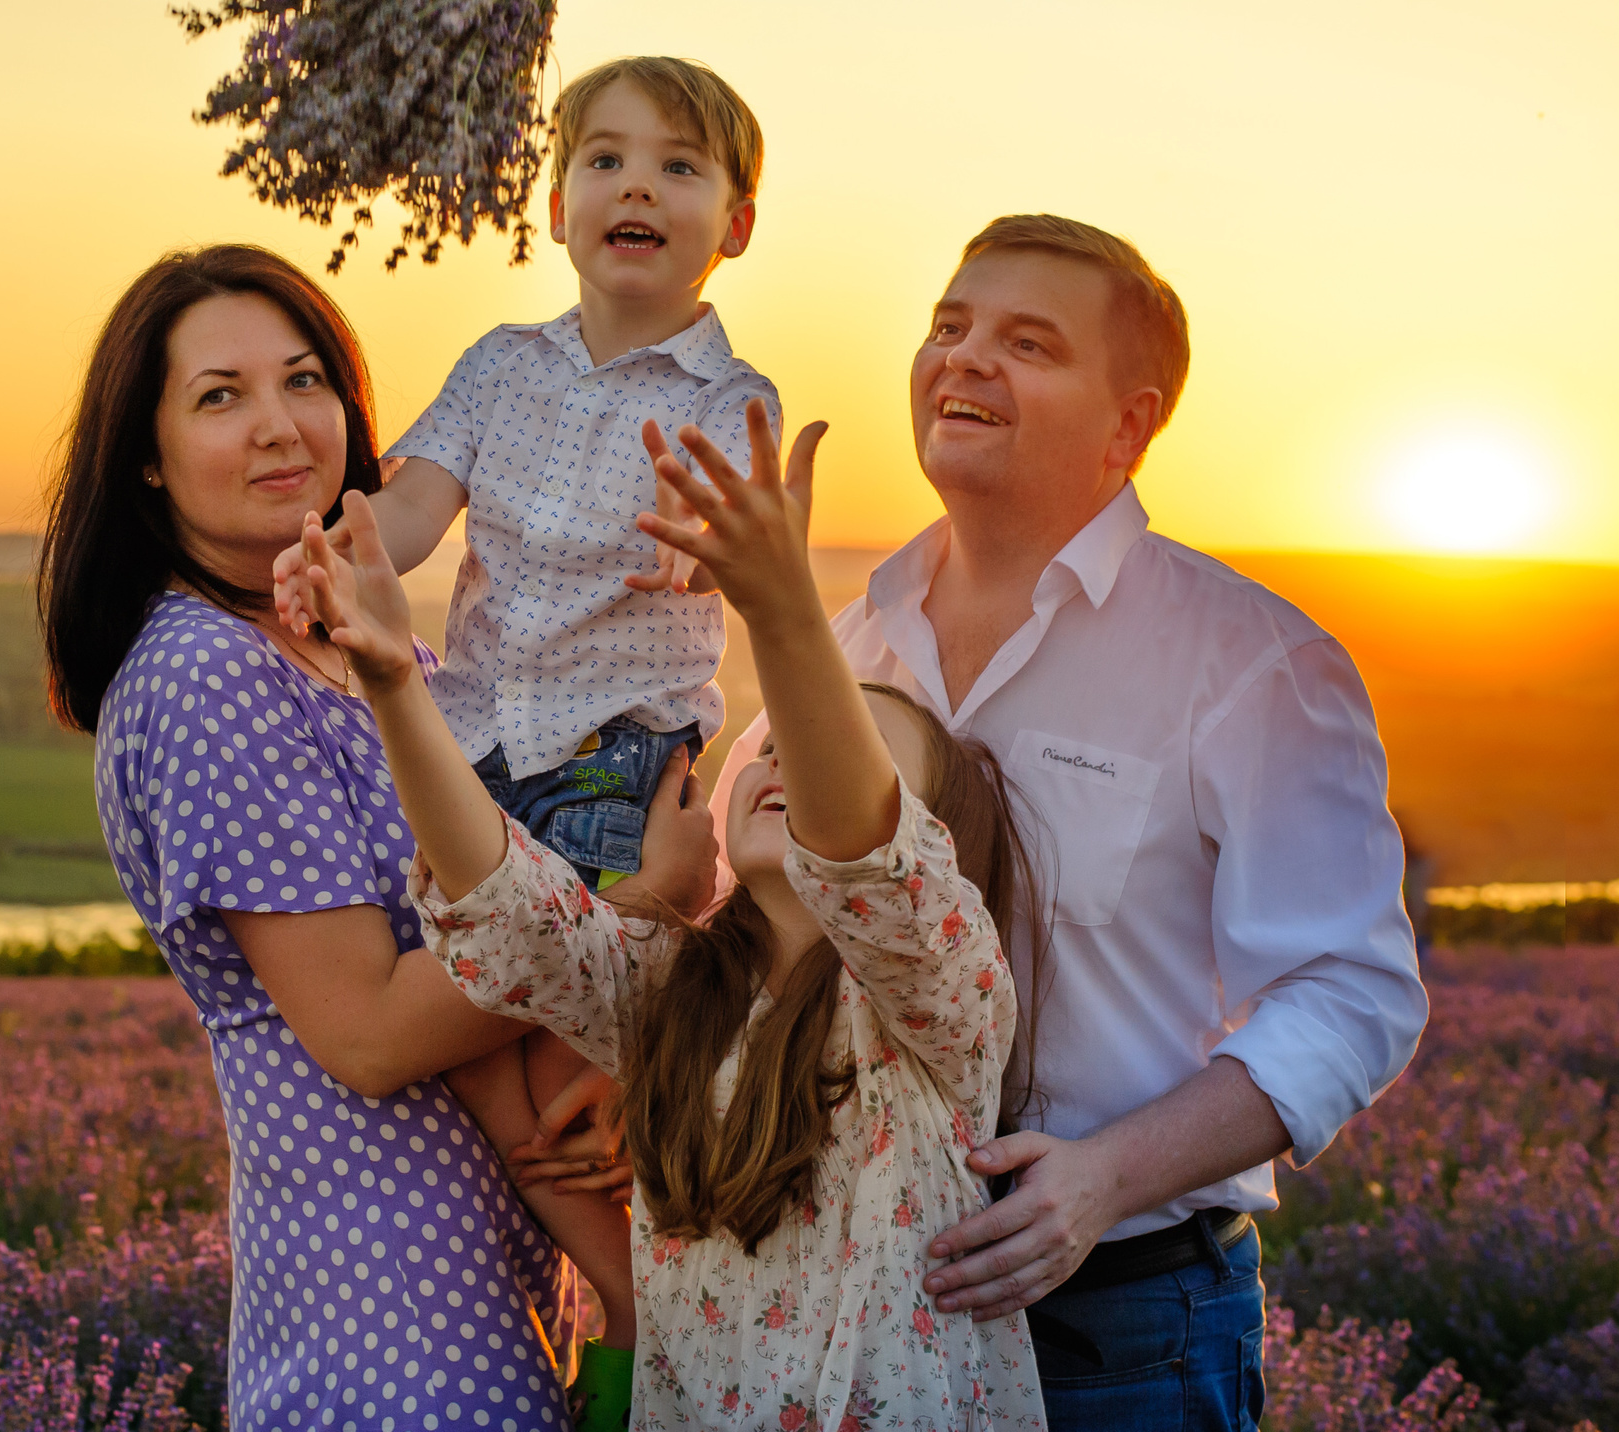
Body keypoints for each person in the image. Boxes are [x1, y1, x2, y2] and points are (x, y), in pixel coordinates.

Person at [711, 215, 1429, 1430]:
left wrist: (1104, 1179)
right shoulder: (848, 646)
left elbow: (1351, 996)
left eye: (1027, 343)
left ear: (1129, 425)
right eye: (949, 326)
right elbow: (743, 910)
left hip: (1120, 1329)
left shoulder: (1250, 661)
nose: (965, 358)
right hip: (839, 1302)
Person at [38, 243, 718, 1432]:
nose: (279, 427)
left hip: (491, 1295)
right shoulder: (205, 671)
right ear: (144, 458)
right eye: (219, 396)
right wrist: (638, 910)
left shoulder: (374, 655)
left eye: (304, 382)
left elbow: (509, 934)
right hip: (389, 1320)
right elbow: (365, 1032)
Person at [290, 399, 1050, 1430]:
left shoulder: (938, 1017)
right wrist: (393, 684)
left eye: (835, 752)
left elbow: (867, 860)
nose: (783, 756)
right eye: (774, 739)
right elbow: (514, 913)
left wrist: (781, 612)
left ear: (939, 850)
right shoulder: (671, 991)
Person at [272, 57, 781, 1404]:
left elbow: (744, 556)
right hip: (477, 759)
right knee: (503, 1093)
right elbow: (413, 511)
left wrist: (709, 556)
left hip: (621, 768)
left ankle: (643, 1335)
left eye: (680, 167)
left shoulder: (735, 402)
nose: (638, 186)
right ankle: (602, 1329)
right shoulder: (499, 372)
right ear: (558, 207)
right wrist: (335, 557)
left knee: (582, 1108)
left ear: (732, 223)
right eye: (607, 160)